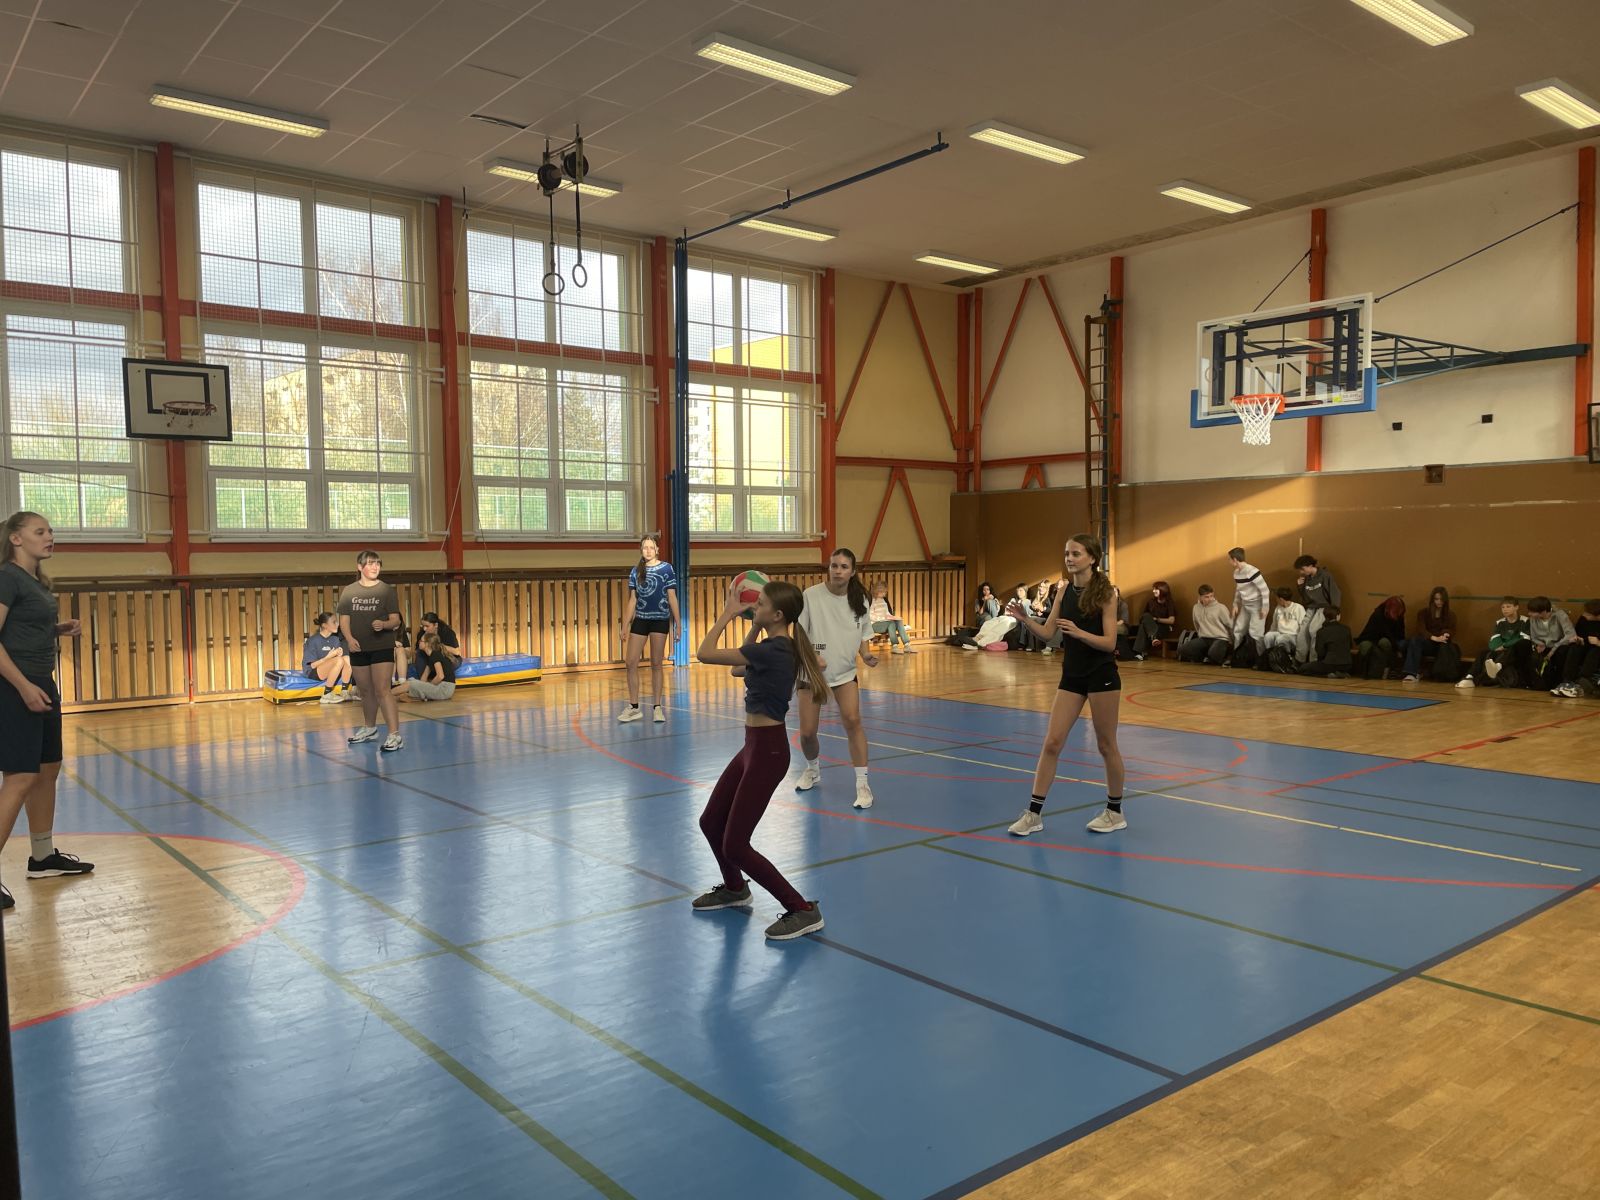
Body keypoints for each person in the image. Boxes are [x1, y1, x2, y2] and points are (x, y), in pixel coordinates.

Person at [692, 576, 830, 941]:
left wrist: (728, 614)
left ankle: (802, 909)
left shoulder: (775, 650)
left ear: (778, 614)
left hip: (768, 752)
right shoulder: (772, 648)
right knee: (711, 822)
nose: (755, 607)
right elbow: (738, 667)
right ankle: (734, 888)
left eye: (761, 604)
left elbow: (705, 653)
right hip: (753, 747)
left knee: (736, 844)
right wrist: (753, 625)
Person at [0, 511, 95, 911]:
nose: (49, 536)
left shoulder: (34, 581)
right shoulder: (7, 577)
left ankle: (42, 858)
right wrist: (23, 687)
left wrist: (56, 629)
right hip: (14, 686)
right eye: (39, 531)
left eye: (51, 530)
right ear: (16, 539)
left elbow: (17, 627)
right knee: (20, 776)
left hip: (41, 681)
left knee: (46, 770)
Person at [1004, 532, 1128, 836]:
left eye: (1075, 554)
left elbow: (1109, 642)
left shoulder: (1107, 594)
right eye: (1067, 554)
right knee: (1052, 742)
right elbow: (1048, 634)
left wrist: (1078, 632)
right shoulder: (1063, 592)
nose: (1069, 559)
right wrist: (1025, 619)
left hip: (1101, 674)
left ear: (1092, 558)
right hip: (1072, 675)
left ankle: (1115, 812)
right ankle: (1033, 815)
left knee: (1106, 745)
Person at [795, 548, 879, 808]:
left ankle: (863, 784)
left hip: (845, 673)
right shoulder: (811, 596)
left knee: (853, 721)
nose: (838, 571)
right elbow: (799, 634)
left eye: (843, 567)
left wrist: (865, 654)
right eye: (834, 566)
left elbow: (863, 633)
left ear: (852, 572)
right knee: (808, 733)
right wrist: (812, 657)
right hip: (811, 674)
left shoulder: (860, 599)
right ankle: (812, 769)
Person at [337, 549, 405, 752]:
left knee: (382, 690)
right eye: (370, 563)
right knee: (365, 691)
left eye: (378, 563)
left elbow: (396, 620)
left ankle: (394, 735)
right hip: (358, 648)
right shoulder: (349, 591)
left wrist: (383, 625)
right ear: (360, 567)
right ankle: (369, 728)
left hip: (381, 646)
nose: (375, 567)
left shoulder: (386, 590)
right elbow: (344, 620)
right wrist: (349, 640)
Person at [618, 533, 679, 724]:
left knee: (656, 663)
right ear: (641, 550)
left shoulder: (667, 569)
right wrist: (625, 625)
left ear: (657, 550)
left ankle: (657, 707)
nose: (648, 550)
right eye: (645, 547)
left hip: (660, 620)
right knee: (630, 662)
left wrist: (678, 624)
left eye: (651, 547)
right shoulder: (635, 572)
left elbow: (672, 597)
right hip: (641, 620)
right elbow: (632, 600)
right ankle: (634, 707)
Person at [1457, 597, 1531, 689]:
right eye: (1503, 607)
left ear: (1516, 607)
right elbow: (1494, 640)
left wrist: (1505, 645)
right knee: (1483, 653)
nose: (1505, 609)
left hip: (1515, 652)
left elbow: (1523, 639)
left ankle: (1498, 667)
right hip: (1501, 651)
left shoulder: (1525, 621)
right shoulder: (1500, 622)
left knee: (1513, 649)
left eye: (1508, 606)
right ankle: (1469, 677)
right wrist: (1497, 647)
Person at [1400, 588, 1457, 682]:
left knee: (1445, 646)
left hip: (1440, 645)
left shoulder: (1450, 615)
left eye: (1441, 599)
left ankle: (1439, 674)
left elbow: (1451, 630)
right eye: (1436, 599)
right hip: (1428, 642)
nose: (1439, 602)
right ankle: (1411, 673)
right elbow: (1421, 629)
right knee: (1415, 640)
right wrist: (1433, 637)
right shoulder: (1423, 613)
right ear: (1432, 600)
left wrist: (1445, 635)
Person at [1293, 555, 1342, 662]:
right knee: (1302, 632)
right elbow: (1305, 597)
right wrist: (1300, 586)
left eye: (1302, 569)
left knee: (1314, 630)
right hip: (1311, 608)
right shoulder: (1306, 578)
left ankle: (1314, 661)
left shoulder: (1325, 575)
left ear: (1310, 566)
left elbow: (1335, 593)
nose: (1301, 572)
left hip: (1324, 607)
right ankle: (1299, 660)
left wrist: (1335, 611)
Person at [1526, 596, 1579, 690]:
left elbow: (1571, 635)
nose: (1529, 614)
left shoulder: (1560, 615)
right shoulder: (1532, 619)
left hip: (1559, 645)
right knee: (1533, 655)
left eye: (1532, 612)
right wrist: (1540, 643)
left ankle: (1563, 682)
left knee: (1564, 651)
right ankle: (1539, 683)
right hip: (1544, 646)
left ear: (1543, 612)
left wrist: (1553, 649)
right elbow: (1533, 636)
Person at [1228, 548, 1269, 663]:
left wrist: (1265, 607)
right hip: (1245, 605)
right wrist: (1235, 604)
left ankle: (1261, 660)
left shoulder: (1252, 571)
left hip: (1257, 605)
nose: (1229, 562)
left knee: (1256, 633)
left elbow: (1265, 590)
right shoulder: (1236, 573)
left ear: (1235, 559)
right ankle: (1236, 658)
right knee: (1238, 630)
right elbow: (1239, 589)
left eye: (1229, 559)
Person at [302, 611, 352, 704]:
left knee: (347, 658)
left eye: (337, 621)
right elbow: (312, 666)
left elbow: (340, 661)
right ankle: (327, 694)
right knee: (339, 660)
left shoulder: (335, 639)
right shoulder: (312, 640)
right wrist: (328, 657)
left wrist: (339, 653)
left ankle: (344, 692)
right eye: (334, 622)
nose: (337, 624)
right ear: (325, 625)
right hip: (313, 672)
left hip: (328, 669)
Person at [1552, 599, 1600, 697]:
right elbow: (1580, 634)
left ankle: (1583, 680)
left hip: (1596, 649)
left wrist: (1599, 643)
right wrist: (1579, 639)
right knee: (1575, 648)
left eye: (1588, 613)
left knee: (1596, 651)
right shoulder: (1584, 619)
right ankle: (1567, 682)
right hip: (1587, 646)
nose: (1584, 615)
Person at [1177, 584, 1232, 665]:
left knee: (1213, 655)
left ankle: (1218, 657)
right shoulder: (1196, 607)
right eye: (1206, 597)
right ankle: (1205, 658)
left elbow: (1230, 624)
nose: (1210, 599)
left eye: (1211, 596)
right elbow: (1196, 624)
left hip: (1220, 639)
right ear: (1200, 597)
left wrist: (1231, 640)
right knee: (1182, 650)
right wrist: (1200, 634)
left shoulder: (1221, 608)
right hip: (1204, 638)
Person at [1354, 596, 1406, 679]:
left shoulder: (1399, 616)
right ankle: (1364, 671)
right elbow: (1385, 632)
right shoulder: (1378, 614)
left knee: (1384, 642)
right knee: (1365, 646)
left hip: (1388, 640)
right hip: (1371, 637)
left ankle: (1385, 668)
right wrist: (1397, 649)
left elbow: (1401, 634)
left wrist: (1398, 647)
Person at [1296, 606, 1353, 677]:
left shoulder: (1321, 631)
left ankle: (1327, 674)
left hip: (1329, 663)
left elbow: (1320, 652)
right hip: (1347, 664)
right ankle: (1340, 672)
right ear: (1338, 616)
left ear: (1324, 617)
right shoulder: (1346, 629)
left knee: (1303, 668)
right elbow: (1350, 646)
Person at [1260, 587, 1306, 670]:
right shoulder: (1278, 608)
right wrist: (1270, 632)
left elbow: (1303, 627)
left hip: (1293, 635)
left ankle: (1284, 661)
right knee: (1268, 636)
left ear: (1281, 599)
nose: (1276, 600)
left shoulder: (1298, 608)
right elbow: (1274, 625)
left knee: (1281, 639)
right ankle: (1271, 659)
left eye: (1276, 598)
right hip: (1280, 632)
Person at [404, 631, 457, 702]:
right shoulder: (431, 656)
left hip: (444, 688)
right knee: (411, 682)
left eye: (421, 641)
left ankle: (390, 694)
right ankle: (398, 696)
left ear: (427, 644)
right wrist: (421, 685)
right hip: (444, 688)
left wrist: (428, 686)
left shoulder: (435, 654)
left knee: (410, 684)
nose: (419, 642)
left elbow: (440, 676)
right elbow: (424, 676)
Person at [1130, 581, 1176, 660]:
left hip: (1163, 627)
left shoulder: (1169, 602)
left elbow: (1171, 620)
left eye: (1156, 589)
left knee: (1143, 627)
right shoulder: (1151, 601)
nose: (1153, 591)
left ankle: (1140, 653)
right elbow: (1144, 616)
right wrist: (1150, 620)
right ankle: (1153, 637)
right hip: (1150, 626)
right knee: (1146, 617)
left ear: (1163, 590)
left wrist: (1157, 619)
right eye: (1153, 589)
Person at [868, 580, 915, 654]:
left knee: (898, 621)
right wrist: (884, 619)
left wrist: (893, 617)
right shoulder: (871, 600)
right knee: (891, 623)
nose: (884, 594)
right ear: (878, 591)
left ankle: (907, 645)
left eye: (885, 592)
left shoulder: (884, 600)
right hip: (875, 624)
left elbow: (887, 613)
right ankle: (894, 646)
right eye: (883, 592)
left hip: (886, 622)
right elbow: (870, 616)